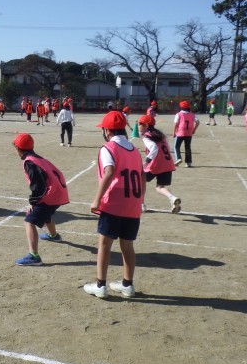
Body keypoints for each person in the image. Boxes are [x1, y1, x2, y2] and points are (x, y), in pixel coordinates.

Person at [83, 111, 144, 299]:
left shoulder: (108, 148)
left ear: (107, 130)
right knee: (128, 245)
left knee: (104, 244)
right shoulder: (134, 150)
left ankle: (100, 285)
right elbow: (142, 176)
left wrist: (97, 199)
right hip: (132, 203)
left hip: (114, 202)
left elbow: (109, 171)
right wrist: (141, 199)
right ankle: (127, 284)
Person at [13, 133, 69, 266]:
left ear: (19, 149)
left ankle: (34, 256)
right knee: (46, 213)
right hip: (58, 193)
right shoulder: (38, 158)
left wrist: (33, 202)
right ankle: (54, 236)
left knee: (29, 221)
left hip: (51, 194)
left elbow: (39, 185)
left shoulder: (29, 162)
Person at [137, 115, 180, 214]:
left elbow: (154, 149)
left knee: (139, 180)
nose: (138, 126)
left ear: (146, 125)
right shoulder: (160, 135)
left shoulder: (146, 136)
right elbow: (167, 148)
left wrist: (146, 161)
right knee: (160, 187)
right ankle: (172, 198)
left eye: (139, 124)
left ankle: (141, 204)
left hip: (156, 164)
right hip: (167, 163)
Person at [173, 100, 199, 167]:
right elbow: (198, 122)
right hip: (189, 132)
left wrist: (174, 132)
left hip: (180, 132)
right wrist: (194, 129)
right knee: (187, 147)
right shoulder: (192, 114)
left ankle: (178, 158)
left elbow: (176, 124)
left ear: (181, 107)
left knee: (176, 146)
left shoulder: (179, 114)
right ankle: (188, 162)